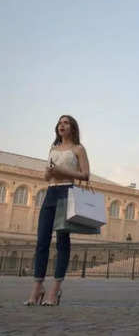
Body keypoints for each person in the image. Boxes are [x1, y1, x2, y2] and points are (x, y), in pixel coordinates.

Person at [25, 115, 90, 306]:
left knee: (62, 241)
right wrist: (49, 172)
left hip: (67, 192)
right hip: (51, 192)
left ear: (73, 128)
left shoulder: (78, 149)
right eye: (60, 123)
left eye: (66, 123)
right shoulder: (53, 149)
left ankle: (55, 289)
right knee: (42, 241)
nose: (62, 125)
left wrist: (61, 171)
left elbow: (85, 175)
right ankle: (38, 287)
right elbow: (47, 177)